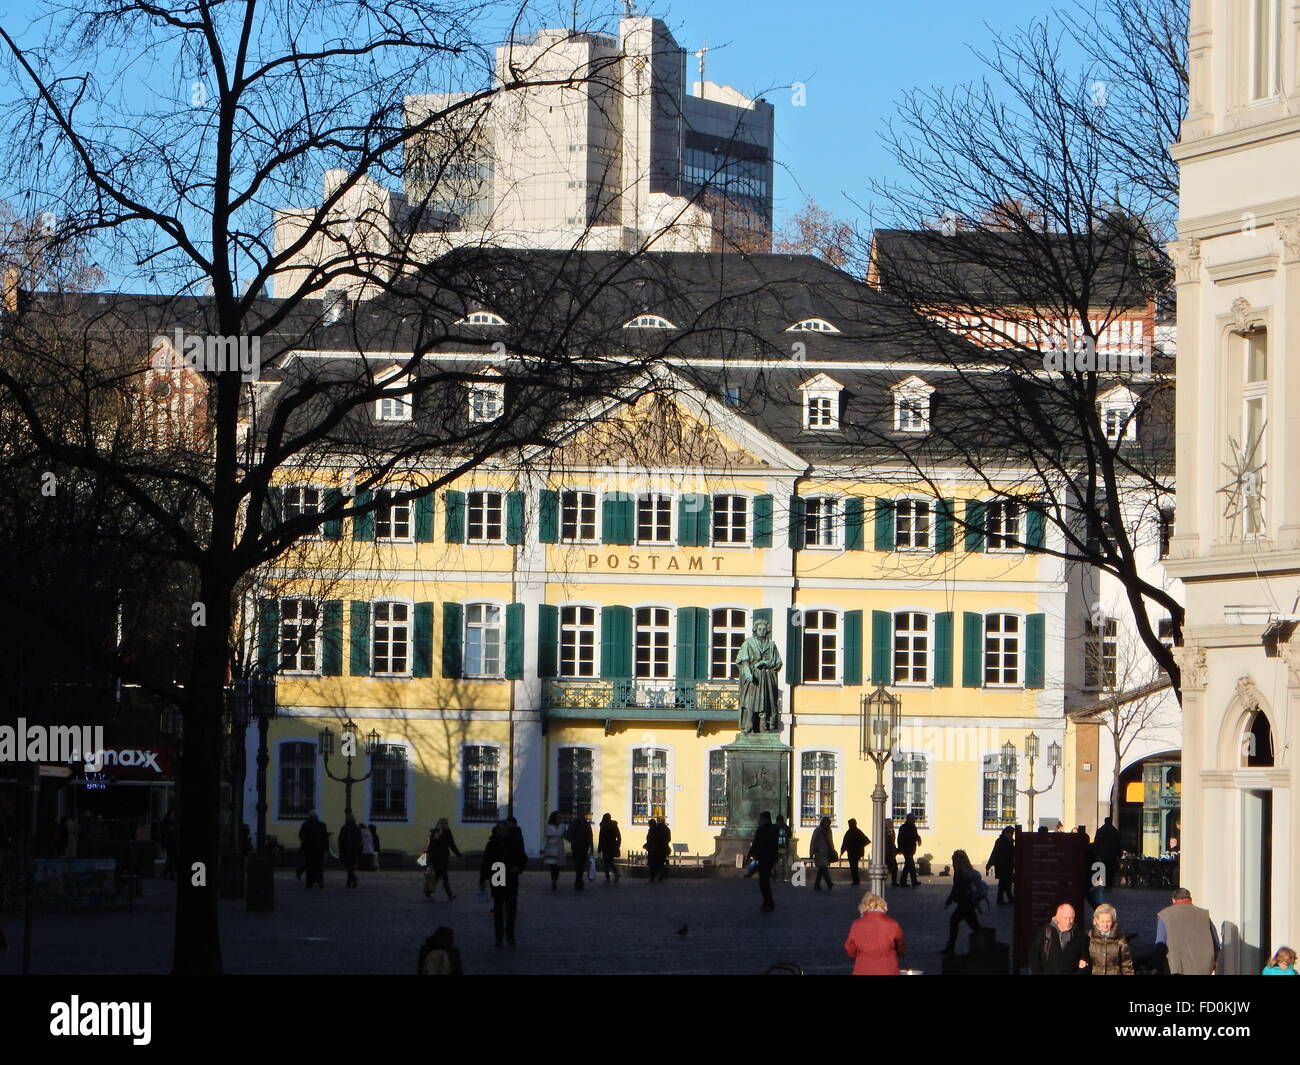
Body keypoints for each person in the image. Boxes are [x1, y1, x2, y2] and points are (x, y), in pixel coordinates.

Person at [479, 820, 527, 948]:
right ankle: (499, 937)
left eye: (505, 829)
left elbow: (523, 857)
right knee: (498, 907)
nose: (503, 831)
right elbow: (486, 862)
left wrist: (518, 867)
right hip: (497, 873)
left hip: (510, 874)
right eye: (501, 829)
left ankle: (510, 935)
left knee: (511, 906)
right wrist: (482, 879)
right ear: (497, 830)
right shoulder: (492, 843)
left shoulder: (515, 842)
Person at [1155, 888, 1219, 975]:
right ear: (1191, 900)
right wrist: (1214, 963)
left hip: (1176, 968)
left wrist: (1157, 968)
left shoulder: (1165, 915)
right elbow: (1215, 943)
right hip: (1203, 968)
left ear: (1173, 900)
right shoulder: (1204, 914)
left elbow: (1160, 945)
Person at [736, 618, 783, 732]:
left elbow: (778, 662)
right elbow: (742, 659)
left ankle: (763, 725)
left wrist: (766, 663)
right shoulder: (748, 642)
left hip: (766, 677)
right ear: (755, 629)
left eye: (763, 629)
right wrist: (747, 669)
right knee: (750, 700)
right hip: (753, 676)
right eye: (759, 628)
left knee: (765, 701)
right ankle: (749, 723)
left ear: (767, 630)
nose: (761, 631)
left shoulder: (771, 645)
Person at [844, 893, 906, 975]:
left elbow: (850, 949)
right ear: (883, 907)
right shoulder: (892, 924)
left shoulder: (857, 924)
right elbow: (900, 946)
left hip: (863, 969)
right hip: (888, 969)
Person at [1029, 902, 1090, 974]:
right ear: (1057, 917)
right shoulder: (1044, 932)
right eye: (1065, 918)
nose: (1068, 921)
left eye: (1071, 918)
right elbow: (1034, 955)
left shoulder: (1080, 936)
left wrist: (1084, 962)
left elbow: (1085, 958)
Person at [942, 849, 982, 956]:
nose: (952, 863)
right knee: (974, 926)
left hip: (965, 903)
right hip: (968, 903)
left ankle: (951, 948)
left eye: (953, 861)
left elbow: (956, 889)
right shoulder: (967, 871)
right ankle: (986, 943)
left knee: (954, 922)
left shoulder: (960, 873)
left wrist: (948, 901)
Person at [1087, 903, 1134, 975]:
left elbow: (1126, 964)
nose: (1105, 925)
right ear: (1096, 920)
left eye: (1108, 921)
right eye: (1102, 921)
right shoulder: (1089, 937)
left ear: (1113, 921)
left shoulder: (1120, 938)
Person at [746, 811, 779, 912]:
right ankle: (768, 902)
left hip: (763, 858)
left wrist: (749, 855)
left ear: (765, 819)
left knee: (763, 882)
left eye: (761, 819)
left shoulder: (761, 830)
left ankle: (768, 902)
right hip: (770, 858)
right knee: (765, 881)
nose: (759, 821)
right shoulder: (774, 829)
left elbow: (756, 844)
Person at [423, 818, 460, 900]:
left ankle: (428, 892)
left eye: (447, 823)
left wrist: (458, 854)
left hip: (444, 859)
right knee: (444, 877)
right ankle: (450, 894)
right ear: (441, 824)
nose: (447, 825)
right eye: (445, 823)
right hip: (436, 859)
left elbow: (452, 844)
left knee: (437, 877)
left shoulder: (448, 832)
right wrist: (430, 860)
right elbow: (430, 847)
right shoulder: (435, 833)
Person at [297, 811, 328, 889]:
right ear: (317, 817)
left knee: (309, 867)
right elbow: (325, 838)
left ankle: (309, 883)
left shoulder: (305, 825)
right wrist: (325, 850)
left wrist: (304, 845)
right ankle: (320, 882)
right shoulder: (322, 825)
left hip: (309, 849)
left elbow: (301, 836)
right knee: (319, 867)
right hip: (319, 849)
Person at [1092, 816, 1120, 898]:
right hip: (1112, 855)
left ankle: (1101, 885)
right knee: (1110, 871)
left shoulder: (1100, 830)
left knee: (1102, 870)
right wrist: (1119, 854)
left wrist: (1096, 853)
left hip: (1102, 855)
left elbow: (1096, 842)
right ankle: (1109, 886)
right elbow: (1118, 844)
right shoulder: (1115, 831)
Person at [986, 826, 1015, 905]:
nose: (1012, 835)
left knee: (1006, 883)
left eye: (1012, 833)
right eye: (1011, 833)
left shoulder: (1010, 842)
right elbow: (994, 852)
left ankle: (1006, 899)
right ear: (1006, 833)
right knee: (1003, 883)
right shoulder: (1000, 841)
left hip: (1008, 866)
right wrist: (989, 864)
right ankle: (1002, 899)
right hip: (1002, 866)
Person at [565, 813, 593, 891]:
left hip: (579, 847)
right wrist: (591, 847)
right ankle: (579, 881)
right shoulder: (585, 824)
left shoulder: (574, 824)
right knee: (580, 865)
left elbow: (568, 835)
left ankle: (578, 880)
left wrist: (573, 841)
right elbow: (590, 836)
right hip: (581, 847)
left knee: (579, 865)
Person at [839, 818, 869, 886]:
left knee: (853, 867)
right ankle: (856, 880)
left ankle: (856, 881)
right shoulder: (858, 831)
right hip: (857, 852)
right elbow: (866, 841)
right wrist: (860, 846)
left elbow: (845, 842)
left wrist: (842, 850)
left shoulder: (850, 832)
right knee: (854, 867)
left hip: (852, 852)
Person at [809, 816, 837, 891]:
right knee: (823, 868)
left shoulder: (829, 831)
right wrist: (811, 852)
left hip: (826, 852)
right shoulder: (818, 831)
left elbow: (830, 840)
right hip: (819, 852)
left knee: (821, 869)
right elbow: (813, 841)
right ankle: (829, 883)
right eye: (827, 823)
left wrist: (832, 849)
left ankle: (817, 884)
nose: (828, 824)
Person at [338, 813, 363, 889]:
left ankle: (352, 880)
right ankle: (351, 881)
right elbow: (359, 840)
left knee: (348, 867)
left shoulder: (344, 828)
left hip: (346, 850)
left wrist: (341, 848)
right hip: (353, 851)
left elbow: (340, 839)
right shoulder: (356, 828)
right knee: (350, 867)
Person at [542, 811, 565, 891]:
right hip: (551, 847)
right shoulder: (548, 825)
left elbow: (563, 835)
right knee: (553, 866)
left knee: (557, 866)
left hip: (559, 847)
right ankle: (553, 881)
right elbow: (545, 837)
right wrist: (542, 848)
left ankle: (555, 880)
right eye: (558, 817)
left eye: (560, 817)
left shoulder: (562, 826)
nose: (560, 819)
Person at [896, 814, 921, 887]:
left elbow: (915, 835)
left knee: (907, 866)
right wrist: (900, 849)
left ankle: (903, 882)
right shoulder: (903, 827)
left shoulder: (913, 827)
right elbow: (900, 839)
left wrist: (919, 839)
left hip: (911, 849)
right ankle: (913, 881)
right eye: (913, 819)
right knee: (911, 865)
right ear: (909, 819)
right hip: (906, 849)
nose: (915, 820)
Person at [597, 813, 621, 882]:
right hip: (612, 846)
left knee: (606, 862)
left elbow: (601, 838)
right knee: (610, 861)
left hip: (605, 846)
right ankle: (616, 873)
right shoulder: (614, 825)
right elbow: (619, 837)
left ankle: (608, 877)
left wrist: (599, 849)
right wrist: (617, 846)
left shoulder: (603, 826)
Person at [774, 814, 792, 882]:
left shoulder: (774, 826)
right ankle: (786, 878)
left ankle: (777, 877)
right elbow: (790, 835)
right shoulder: (786, 827)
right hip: (784, 847)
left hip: (776, 847)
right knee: (785, 863)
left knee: (776, 863)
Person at [884, 819, 898, 886]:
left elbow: (892, 842)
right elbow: (888, 842)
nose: (892, 824)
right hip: (887, 852)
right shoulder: (885, 831)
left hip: (891, 851)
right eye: (890, 823)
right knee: (886, 868)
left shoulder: (891, 830)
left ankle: (894, 882)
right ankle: (883, 882)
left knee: (894, 867)